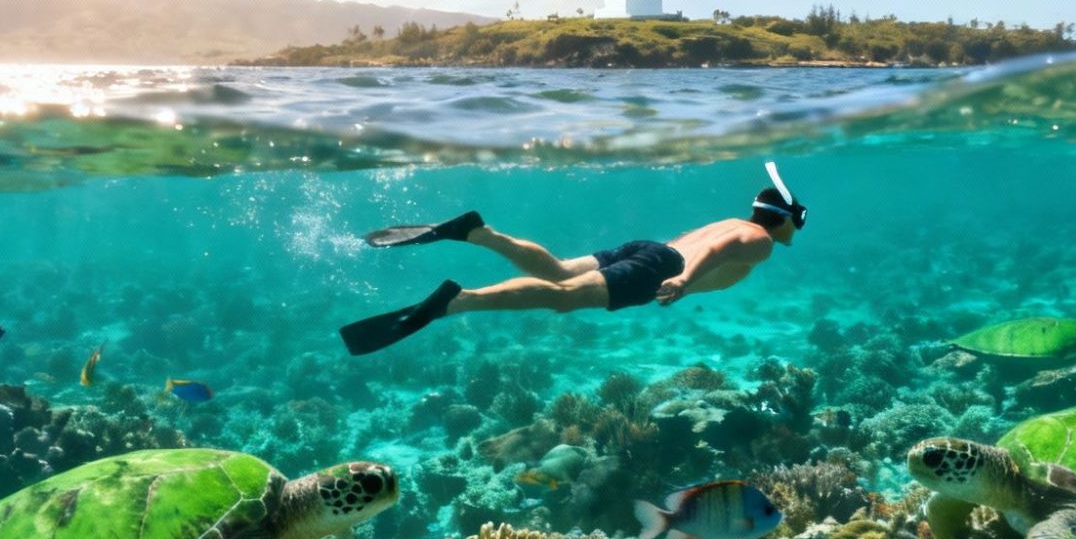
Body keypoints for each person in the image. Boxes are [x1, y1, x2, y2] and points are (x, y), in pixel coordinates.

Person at [339, 162, 808, 355]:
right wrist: (683, 282)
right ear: (783, 218)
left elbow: (694, 237)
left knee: (560, 269)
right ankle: (457, 301)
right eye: (798, 220)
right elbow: (711, 250)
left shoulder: (731, 218)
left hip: (647, 249)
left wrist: (669, 264)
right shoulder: (760, 241)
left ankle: (477, 233)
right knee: (564, 297)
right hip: (661, 269)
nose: (797, 230)